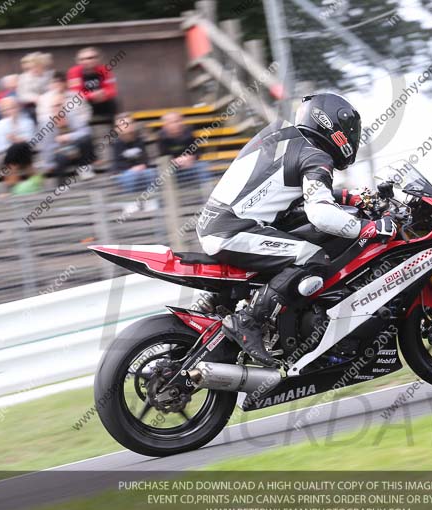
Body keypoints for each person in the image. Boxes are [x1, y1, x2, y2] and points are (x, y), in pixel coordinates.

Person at [196, 93, 396, 367]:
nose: (352, 139)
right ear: (332, 127)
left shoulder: (283, 137)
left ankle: (225, 305)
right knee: (312, 257)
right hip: (233, 231)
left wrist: (348, 197)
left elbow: (288, 189)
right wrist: (370, 228)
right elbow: (321, 215)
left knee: (297, 238)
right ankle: (249, 321)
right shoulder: (315, 156)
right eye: (350, 133)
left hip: (220, 224)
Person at [40, 97, 95, 183]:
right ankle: (61, 184)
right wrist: (49, 164)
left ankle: (84, 169)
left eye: (59, 105)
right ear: (51, 109)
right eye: (54, 106)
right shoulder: (47, 124)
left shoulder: (72, 116)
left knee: (85, 140)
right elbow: (47, 146)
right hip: (60, 153)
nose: (57, 108)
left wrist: (68, 137)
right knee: (60, 158)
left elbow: (86, 131)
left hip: (76, 149)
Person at [0, 97, 35, 188]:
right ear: (1, 112)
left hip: (24, 153)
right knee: (16, 148)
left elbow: (32, 142)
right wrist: (17, 142)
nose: (10, 111)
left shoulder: (27, 122)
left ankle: (11, 183)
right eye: (6, 109)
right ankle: (33, 179)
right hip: (4, 156)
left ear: (18, 108)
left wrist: (15, 140)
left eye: (13, 107)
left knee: (21, 146)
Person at [67, 47, 118, 118]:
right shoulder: (74, 72)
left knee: (113, 102)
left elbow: (112, 89)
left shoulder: (104, 70)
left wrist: (104, 94)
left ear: (98, 59)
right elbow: (75, 93)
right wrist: (92, 95)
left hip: (103, 100)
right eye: (82, 59)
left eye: (90, 58)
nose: (86, 61)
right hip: (83, 102)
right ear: (78, 61)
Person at [112, 113, 156, 193]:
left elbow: (145, 158)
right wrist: (132, 169)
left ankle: (152, 196)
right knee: (131, 176)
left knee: (151, 173)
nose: (126, 126)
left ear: (133, 125)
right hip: (124, 173)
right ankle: (130, 198)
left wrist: (143, 165)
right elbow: (117, 164)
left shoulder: (140, 140)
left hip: (141, 171)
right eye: (122, 125)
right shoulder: (116, 144)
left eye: (129, 123)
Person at [17, 52, 53, 123]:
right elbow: (21, 96)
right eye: (31, 67)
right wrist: (36, 98)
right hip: (32, 106)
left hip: (50, 103)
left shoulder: (50, 76)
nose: (34, 69)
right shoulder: (23, 78)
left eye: (36, 66)